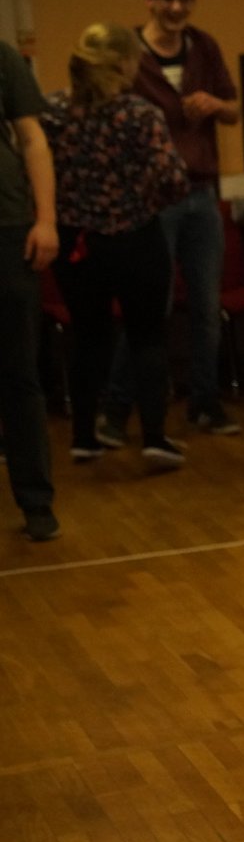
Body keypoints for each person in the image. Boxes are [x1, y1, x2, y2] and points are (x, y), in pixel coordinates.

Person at [94, 0, 241, 444]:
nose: (176, 8)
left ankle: (205, 402)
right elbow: (104, 111)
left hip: (202, 193)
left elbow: (234, 108)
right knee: (148, 307)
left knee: (206, 306)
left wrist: (215, 105)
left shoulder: (205, 46)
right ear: (149, 0)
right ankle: (117, 408)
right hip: (150, 201)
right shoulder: (129, 52)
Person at [41, 23, 191, 471]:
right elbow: (173, 179)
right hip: (135, 238)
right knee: (147, 337)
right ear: (126, 63)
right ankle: (154, 438)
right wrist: (147, 197)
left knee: (89, 337)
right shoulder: (139, 114)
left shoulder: (52, 111)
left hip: (76, 245)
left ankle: (84, 438)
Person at [0, 38, 60, 541]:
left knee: (19, 373)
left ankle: (36, 501)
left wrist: (46, 219)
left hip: (8, 226)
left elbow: (32, 138)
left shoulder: (2, 57)